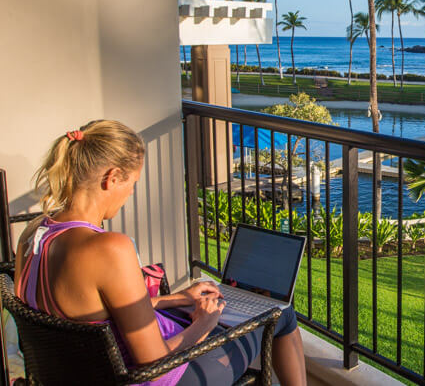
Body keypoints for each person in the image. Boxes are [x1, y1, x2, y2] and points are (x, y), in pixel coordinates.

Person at [14, 120, 307, 385]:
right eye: (132, 183)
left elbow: (93, 313)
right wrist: (203, 325)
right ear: (112, 177)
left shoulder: (34, 234)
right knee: (280, 314)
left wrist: (176, 299)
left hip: (81, 374)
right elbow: (155, 363)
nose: (130, 193)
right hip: (157, 378)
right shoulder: (109, 249)